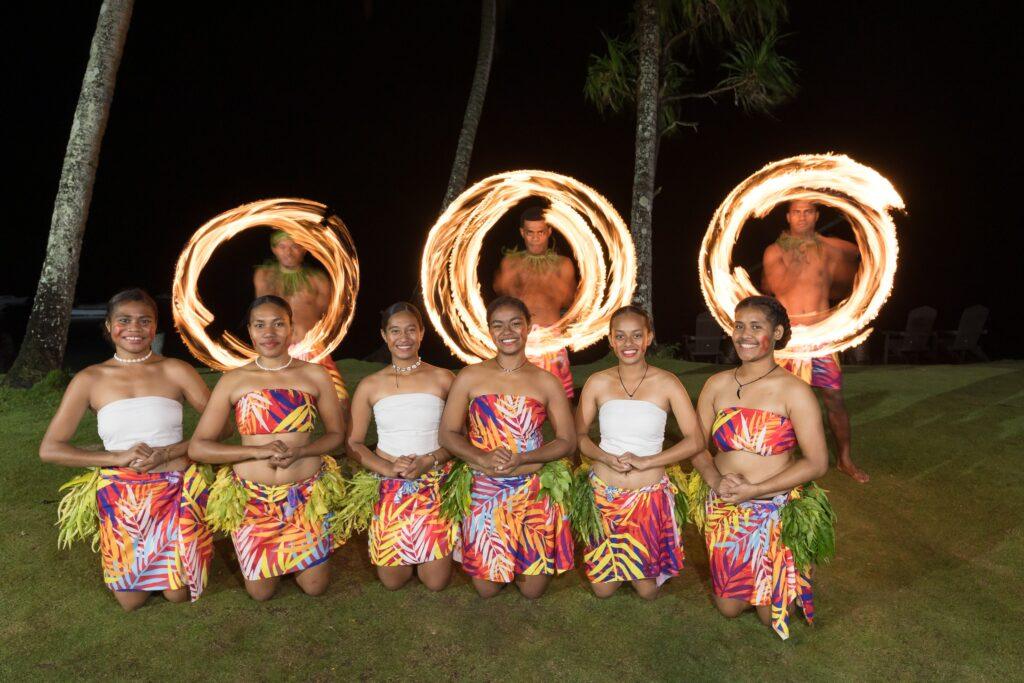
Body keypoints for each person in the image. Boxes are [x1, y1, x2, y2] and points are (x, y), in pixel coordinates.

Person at [40, 288, 214, 611]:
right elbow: (50, 448)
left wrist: (168, 453)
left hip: (174, 492)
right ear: (108, 326)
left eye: (144, 321)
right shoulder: (90, 379)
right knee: (131, 601)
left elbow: (222, 429)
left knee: (179, 593)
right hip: (123, 500)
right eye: (124, 320)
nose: (134, 328)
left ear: (155, 327)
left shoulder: (177, 370)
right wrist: (116, 457)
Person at [690, 295, 830, 640]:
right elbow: (696, 447)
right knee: (729, 609)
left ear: (777, 333)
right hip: (724, 507)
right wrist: (714, 479)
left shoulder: (794, 391)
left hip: (772, 510)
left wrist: (754, 490)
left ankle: (786, 571)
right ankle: (749, 580)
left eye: (756, 326)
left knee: (771, 617)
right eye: (739, 326)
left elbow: (817, 462)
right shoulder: (716, 385)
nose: (744, 334)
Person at [189, 295, 346, 601]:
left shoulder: (314, 374)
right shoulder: (234, 380)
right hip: (253, 500)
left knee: (315, 587)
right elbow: (199, 447)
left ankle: (298, 553)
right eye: (260, 325)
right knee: (260, 593)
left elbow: (337, 434)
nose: (269, 333)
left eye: (278, 324)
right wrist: (256, 452)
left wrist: (302, 451)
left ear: (291, 329)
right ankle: (265, 555)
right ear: (250, 331)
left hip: (305, 497)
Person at [438, 296, 577, 598]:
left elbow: (567, 440)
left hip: (532, 491)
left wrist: (524, 457)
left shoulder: (546, 381)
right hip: (486, 493)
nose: (507, 331)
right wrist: (480, 456)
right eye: (498, 325)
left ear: (528, 328)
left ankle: (526, 555)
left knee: (532, 592)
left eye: (516, 323)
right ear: (489, 331)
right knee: (487, 590)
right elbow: (448, 434)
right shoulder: (470, 376)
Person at [574, 305, 703, 599]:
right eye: (620, 336)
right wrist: (603, 457)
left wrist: (648, 461)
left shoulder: (667, 382)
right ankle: (615, 559)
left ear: (649, 337)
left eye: (636, 336)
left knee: (647, 592)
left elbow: (695, 440)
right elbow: (578, 436)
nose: (628, 344)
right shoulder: (597, 382)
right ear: (610, 340)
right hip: (605, 496)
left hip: (647, 499)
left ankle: (650, 561)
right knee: (602, 590)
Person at [347, 302, 456, 591]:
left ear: (422, 333)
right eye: (395, 331)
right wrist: (388, 468)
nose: (403, 337)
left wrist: (430, 460)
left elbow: (460, 437)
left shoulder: (444, 378)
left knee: (435, 582)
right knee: (393, 581)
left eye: (411, 330)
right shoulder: (370, 385)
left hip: (433, 483)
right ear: (384, 336)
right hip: (389, 486)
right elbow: (353, 442)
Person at [762, 199, 867, 482]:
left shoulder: (830, 249)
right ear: (788, 216)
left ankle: (845, 459)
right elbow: (772, 288)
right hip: (789, 341)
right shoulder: (774, 251)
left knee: (833, 398)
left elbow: (854, 261)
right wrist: (794, 259)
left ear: (817, 215)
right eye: (796, 212)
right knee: (779, 400)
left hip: (821, 338)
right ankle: (782, 458)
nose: (802, 217)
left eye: (808, 211)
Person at [254, 230, 349, 407]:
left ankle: (340, 434)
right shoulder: (264, 276)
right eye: (283, 246)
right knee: (278, 406)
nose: (289, 252)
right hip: (278, 349)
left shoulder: (318, 280)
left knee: (340, 400)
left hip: (311, 349)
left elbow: (328, 317)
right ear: (274, 249)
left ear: (305, 248)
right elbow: (262, 311)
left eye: (295, 246)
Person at [493, 207, 578, 398]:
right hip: (521, 336)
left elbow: (570, 301)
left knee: (559, 399)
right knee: (519, 398)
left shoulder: (563, 263)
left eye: (540, 232)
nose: (535, 238)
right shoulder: (511, 263)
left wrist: (552, 283)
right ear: (522, 233)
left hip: (552, 338)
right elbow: (504, 298)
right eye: (530, 232)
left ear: (549, 232)